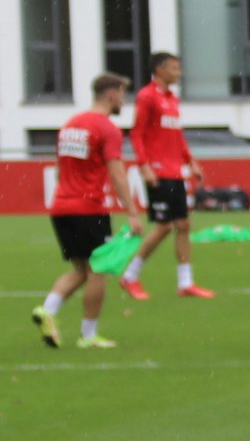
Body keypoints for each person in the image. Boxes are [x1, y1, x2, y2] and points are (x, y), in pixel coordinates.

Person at [32, 73, 145, 350]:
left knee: (81, 270)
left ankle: (47, 310)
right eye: (122, 95)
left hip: (61, 207)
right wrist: (132, 212)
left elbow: (60, 170)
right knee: (98, 271)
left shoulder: (70, 125)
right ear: (111, 95)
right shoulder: (107, 128)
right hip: (88, 208)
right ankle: (89, 335)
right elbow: (117, 172)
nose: (124, 101)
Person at [118, 51, 212, 301]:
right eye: (174, 68)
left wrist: (190, 162)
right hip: (158, 171)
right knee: (164, 226)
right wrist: (144, 166)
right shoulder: (147, 96)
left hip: (174, 171)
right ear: (159, 69)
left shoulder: (172, 99)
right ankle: (129, 276)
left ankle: (186, 283)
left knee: (183, 224)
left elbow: (176, 136)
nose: (178, 72)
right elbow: (137, 133)